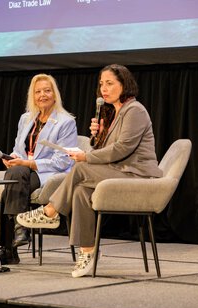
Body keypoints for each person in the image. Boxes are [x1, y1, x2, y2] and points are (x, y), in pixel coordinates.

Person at [17, 64, 163, 277]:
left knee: (81, 167)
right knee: (80, 192)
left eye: (110, 83)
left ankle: (50, 211)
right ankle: (88, 252)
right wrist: (99, 136)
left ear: (124, 84)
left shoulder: (135, 110)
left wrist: (86, 155)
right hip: (121, 171)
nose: (104, 88)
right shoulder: (114, 112)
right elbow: (107, 151)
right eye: (101, 84)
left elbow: (122, 149)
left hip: (138, 174)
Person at [0, 74, 78, 264]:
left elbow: (64, 161)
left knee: (11, 183)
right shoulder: (26, 119)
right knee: (15, 175)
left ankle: (7, 246)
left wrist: (28, 164)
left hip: (49, 173)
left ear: (54, 94)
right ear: (32, 96)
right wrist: (13, 159)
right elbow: (18, 150)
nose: (42, 95)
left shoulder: (66, 122)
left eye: (47, 91)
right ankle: (19, 231)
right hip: (24, 173)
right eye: (38, 92)